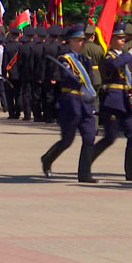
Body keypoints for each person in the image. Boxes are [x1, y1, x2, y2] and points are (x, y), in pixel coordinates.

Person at [41, 24, 98, 183]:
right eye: (78, 40)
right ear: (70, 41)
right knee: (67, 140)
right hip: (71, 103)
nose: (81, 43)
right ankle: (48, 158)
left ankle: (84, 174)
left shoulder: (86, 60)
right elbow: (65, 78)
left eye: (82, 40)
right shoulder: (64, 59)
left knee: (89, 137)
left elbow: (91, 80)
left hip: (85, 103)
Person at [91, 22, 132, 180]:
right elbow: (113, 65)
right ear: (111, 40)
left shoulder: (126, 57)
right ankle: (88, 159)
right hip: (114, 101)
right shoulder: (109, 56)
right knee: (110, 137)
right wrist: (129, 55)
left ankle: (131, 172)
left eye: (123, 38)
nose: (122, 41)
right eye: (119, 38)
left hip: (127, 101)